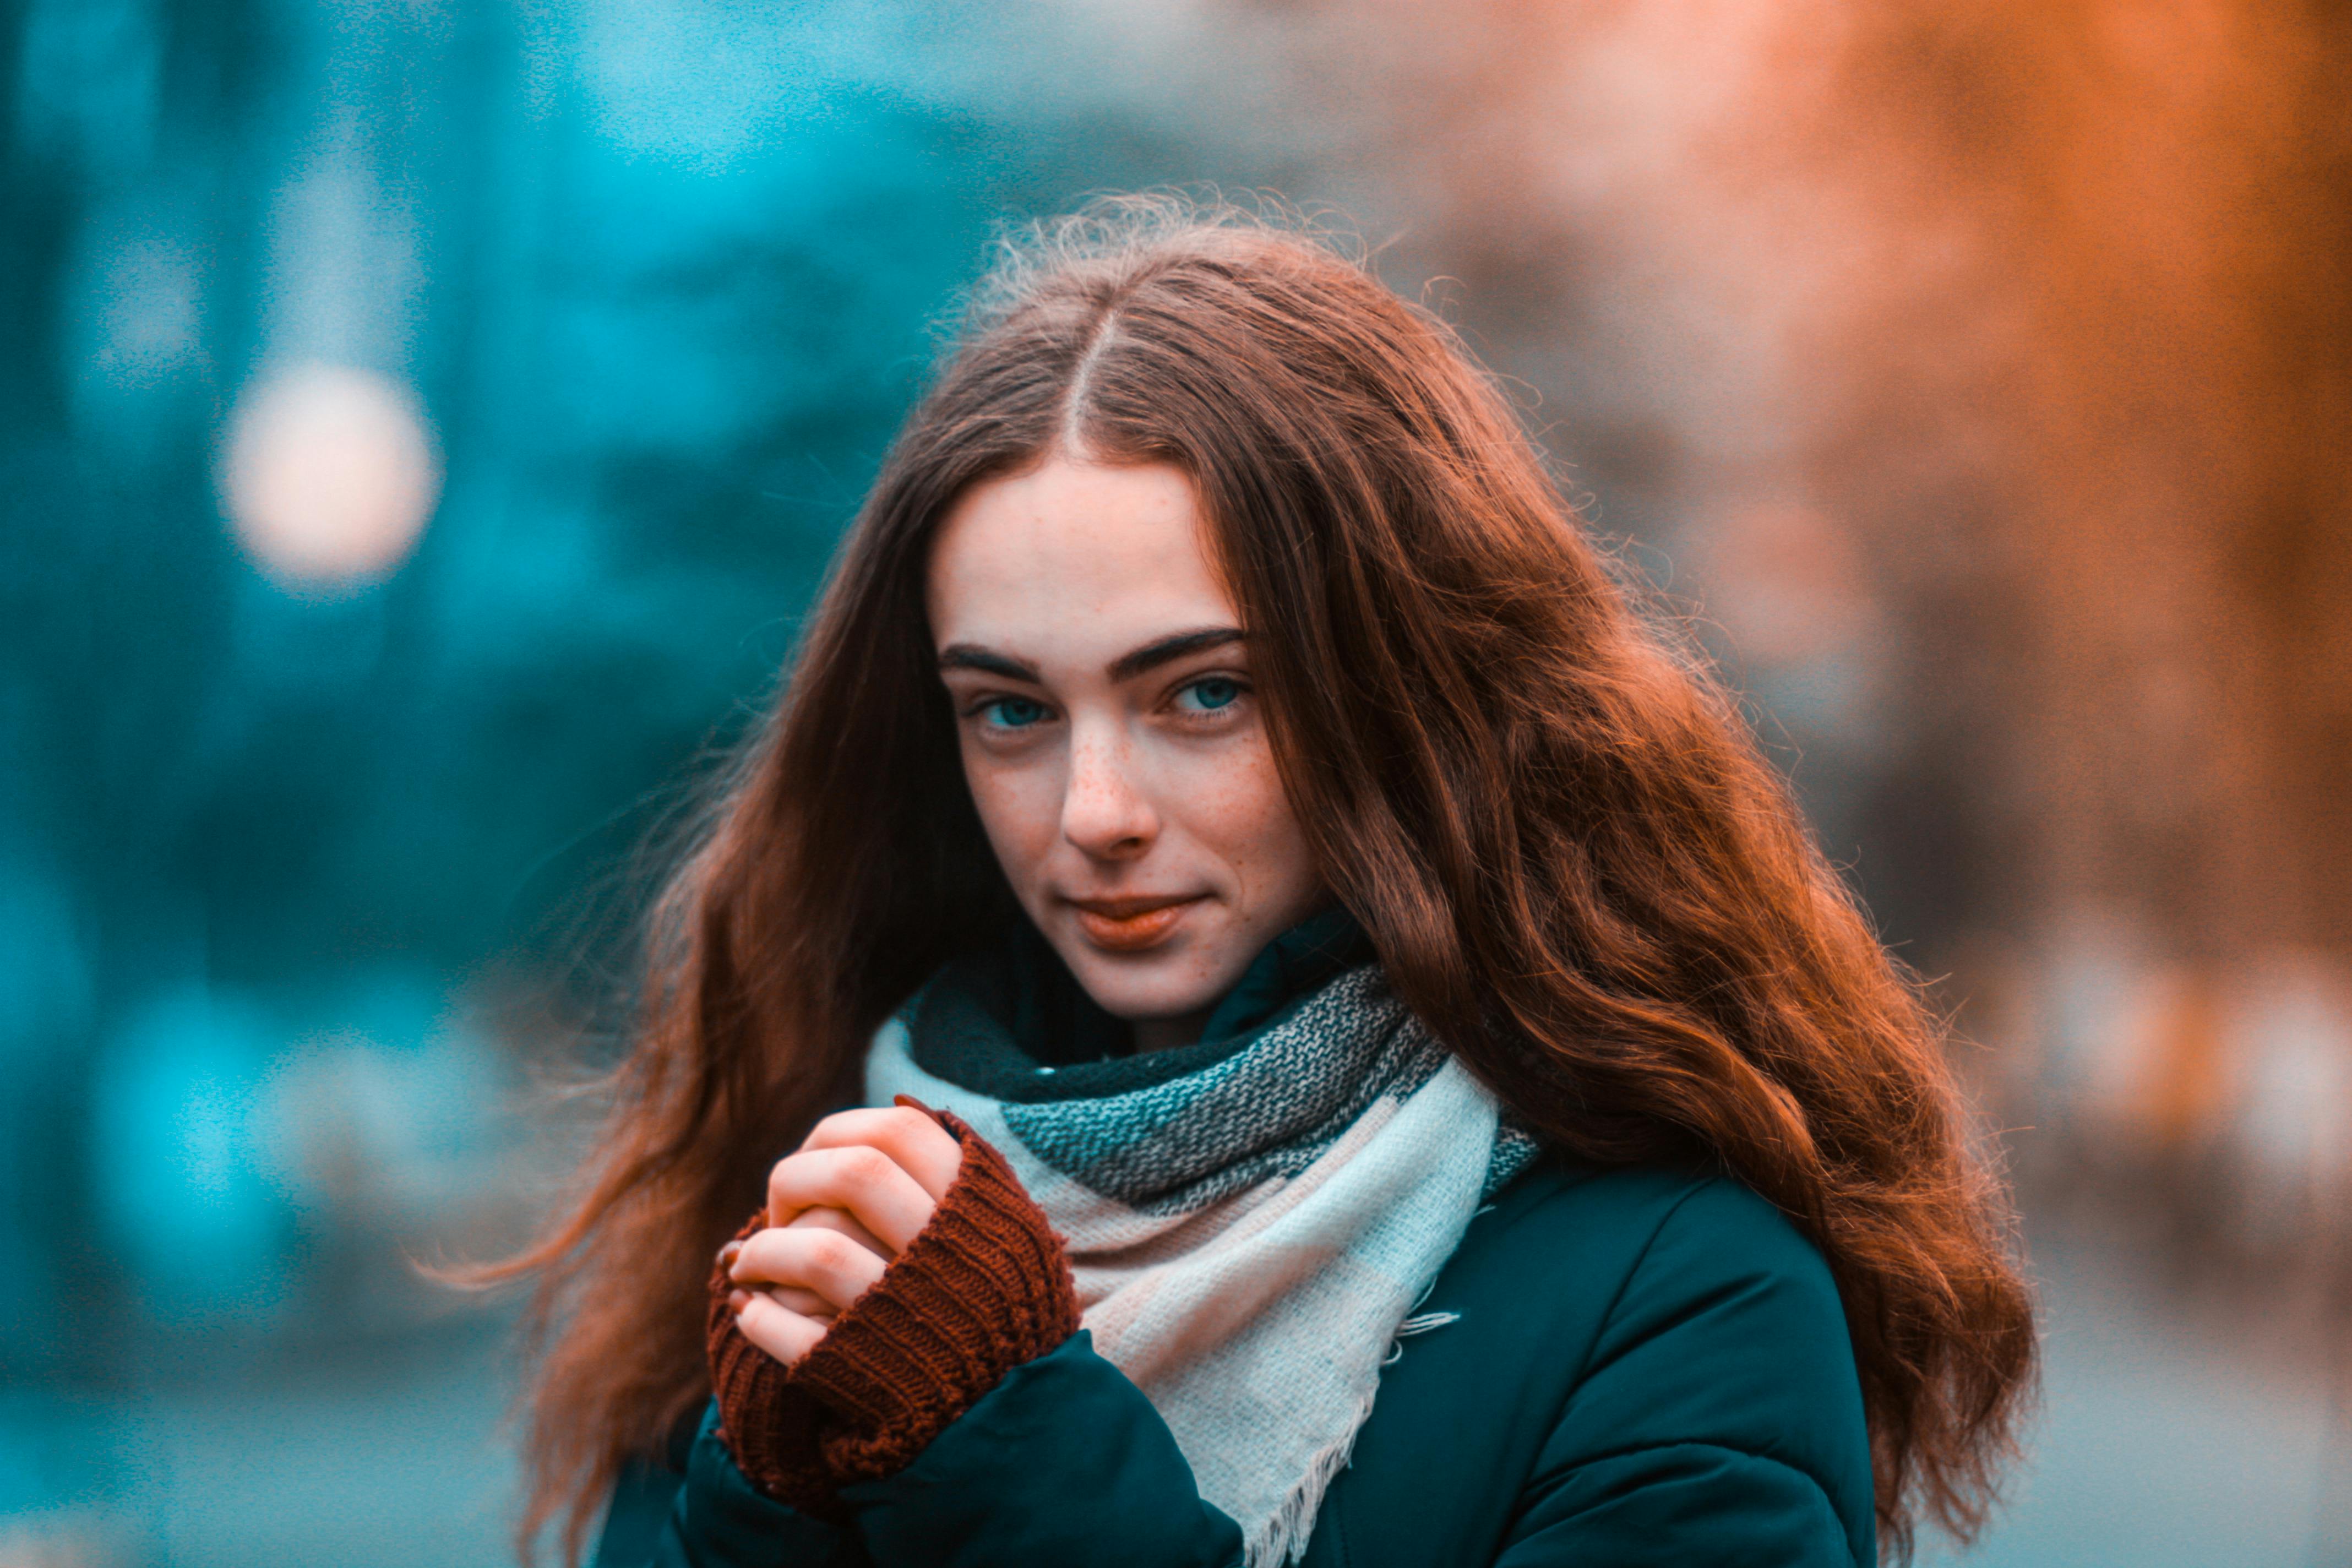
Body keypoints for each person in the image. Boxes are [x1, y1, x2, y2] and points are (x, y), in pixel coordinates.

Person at [491, 198, 2035, 1568]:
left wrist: (1005, 1451)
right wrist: (766, 1509)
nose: (1094, 813)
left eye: (1204, 693)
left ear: (1412, 693)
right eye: (1010, 710)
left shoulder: (1682, 1285)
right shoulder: (815, 1204)